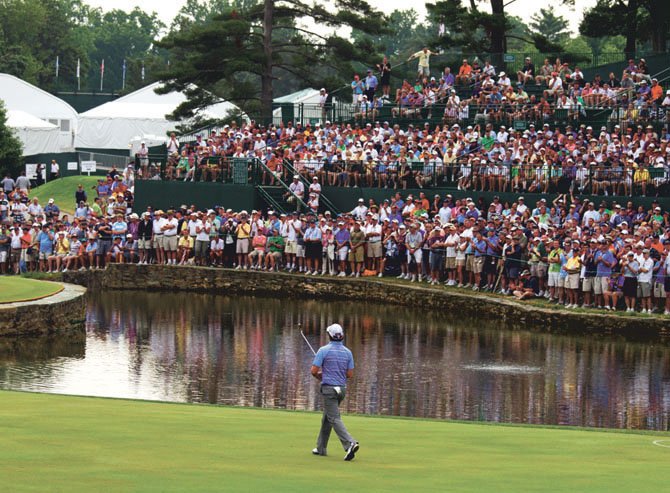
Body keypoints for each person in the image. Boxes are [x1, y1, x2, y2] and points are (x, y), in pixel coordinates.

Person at [310, 323, 359, 461]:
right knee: (327, 417)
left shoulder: (323, 350)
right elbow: (349, 374)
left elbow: (313, 371)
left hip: (329, 389)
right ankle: (321, 448)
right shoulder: (348, 352)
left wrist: (321, 375)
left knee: (333, 418)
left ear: (329, 335)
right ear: (341, 336)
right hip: (341, 390)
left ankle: (350, 443)